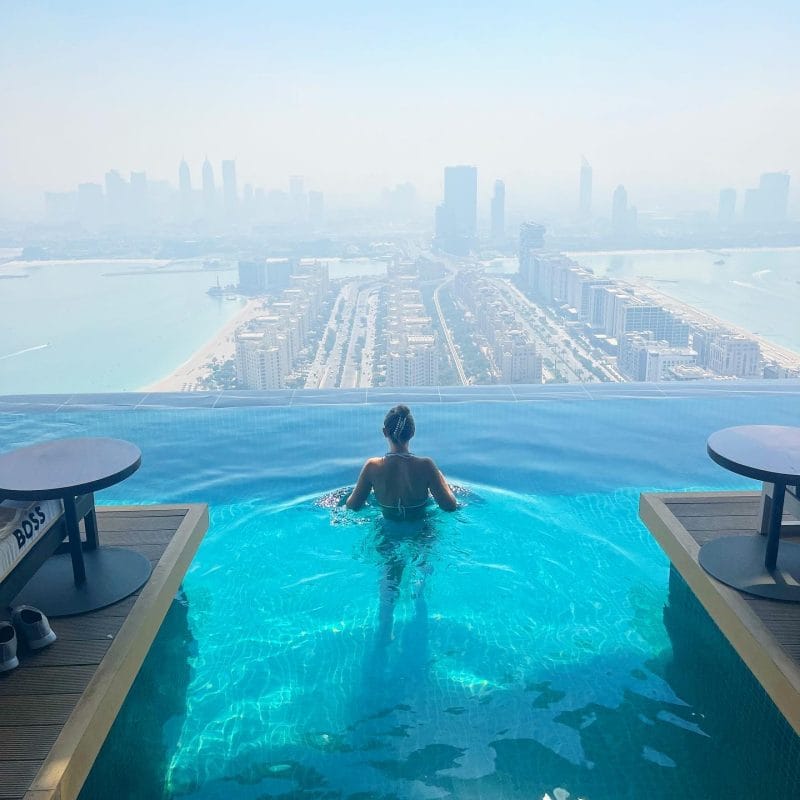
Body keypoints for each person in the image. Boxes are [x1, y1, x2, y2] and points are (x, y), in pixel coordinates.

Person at [346, 405, 458, 519]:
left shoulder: (372, 467)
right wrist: (441, 478)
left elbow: (352, 506)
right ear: (413, 432)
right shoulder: (426, 466)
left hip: (385, 528)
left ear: (385, 432)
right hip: (422, 527)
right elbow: (450, 506)